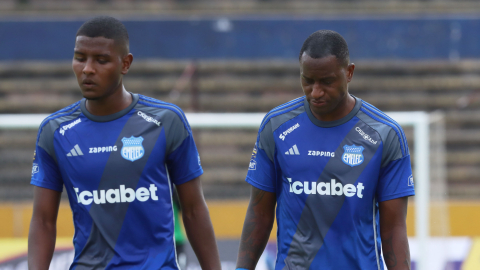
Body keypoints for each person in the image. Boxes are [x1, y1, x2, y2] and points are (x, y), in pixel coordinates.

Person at [28, 16, 221, 270]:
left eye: (101, 60)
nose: (87, 68)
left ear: (125, 64)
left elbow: (194, 209)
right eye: (80, 57)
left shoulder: (166, 120)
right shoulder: (55, 131)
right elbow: (43, 221)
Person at [236, 30, 415, 270]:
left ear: (349, 72)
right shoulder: (277, 126)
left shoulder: (384, 134)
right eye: (307, 81)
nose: (316, 92)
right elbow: (259, 215)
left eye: (327, 81)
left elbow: (394, 228)